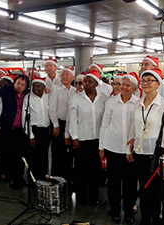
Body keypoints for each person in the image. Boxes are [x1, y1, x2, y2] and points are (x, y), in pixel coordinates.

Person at [126, 68, 164, 225]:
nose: (146, 83)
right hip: (140, 153)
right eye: (144, 81)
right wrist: (130, 148)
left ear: (157, 84)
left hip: (156, 155)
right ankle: (145, 219)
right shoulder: (138, 103)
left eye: (150, 80)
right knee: (143, 189)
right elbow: (133, 127)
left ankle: (156, 219)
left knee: (156, 192)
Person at [99, 74, 140, 224]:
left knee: (130, 183)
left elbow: (139, 126)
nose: (123, 87)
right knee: (113, 183)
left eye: (127, 85)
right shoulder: (111, 102)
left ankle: (129, 211)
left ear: (134, 88)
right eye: (122, 84)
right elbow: (104, 124)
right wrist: (101, 146)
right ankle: (114, 210)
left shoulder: (138, 103)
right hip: (112, 147)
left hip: (131, 149)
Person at [69, 70, 107, 205]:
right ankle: (81, 197)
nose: (86, 84)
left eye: (90, 82)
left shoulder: (102, 99)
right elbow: (72, 119)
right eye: (86, 82)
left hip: (97, 140)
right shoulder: (76, 98)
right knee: (80, 170)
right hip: (82, 140)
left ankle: (94, 196)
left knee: (95, 171)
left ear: (97, 83)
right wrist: (74, 137)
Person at [49, 66, 76, 180]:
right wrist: (55, 125)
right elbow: (52, 108)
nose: (64, 76)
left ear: (72, 77)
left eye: (67, 74)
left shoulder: (75, 91)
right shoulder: (55, 89)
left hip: (71, 124)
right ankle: (56, 176)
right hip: (58, 123)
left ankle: (67, 175)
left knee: (69, 151)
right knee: (57, 151)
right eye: (63, 74)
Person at [22, 74, 51, 180]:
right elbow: (24, 117)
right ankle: (33, 179)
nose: (37, 88)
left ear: (44, 87)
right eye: (35, 86)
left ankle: (44, 176)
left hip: (46, 130)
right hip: (34, 130)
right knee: (33, 156)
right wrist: (30, 136)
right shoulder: (28, 97)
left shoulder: (48, 96)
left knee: (44, 155)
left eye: (39, 86)